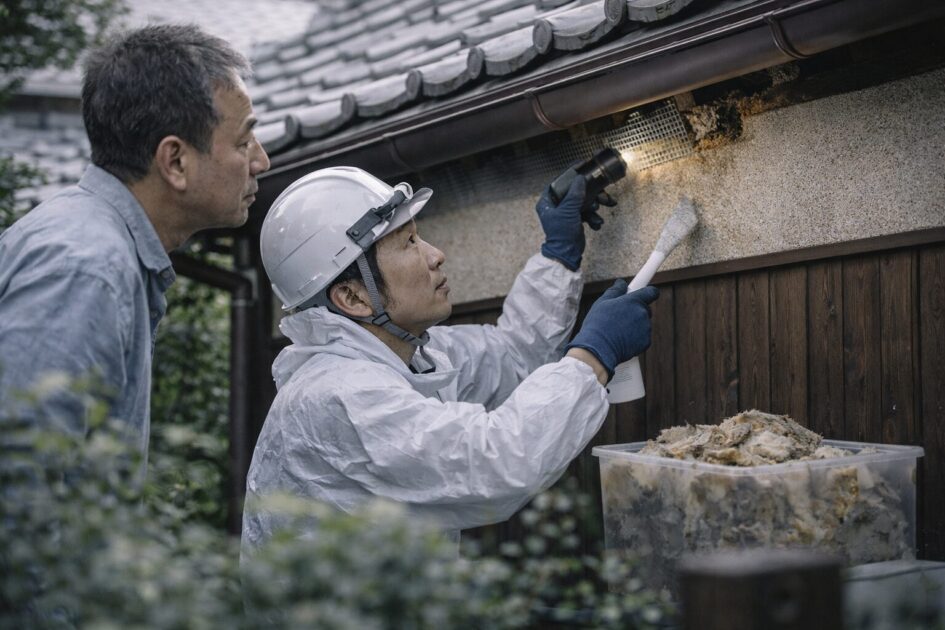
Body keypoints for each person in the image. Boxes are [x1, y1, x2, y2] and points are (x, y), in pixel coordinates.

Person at [241, 166, 657, 555]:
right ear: (352, 297)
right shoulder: (338, 396)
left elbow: (514, 356)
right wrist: (593, 356)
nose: (436, 254)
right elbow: (499, 463)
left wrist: (559, 254)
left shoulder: (414, 357)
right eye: (408, 242)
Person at [0, 24, 270, 460]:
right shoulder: (86, 269)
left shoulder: (94, 245)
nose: (261, 160)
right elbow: (17, 479)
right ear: (175, 161)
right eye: (244, 141)